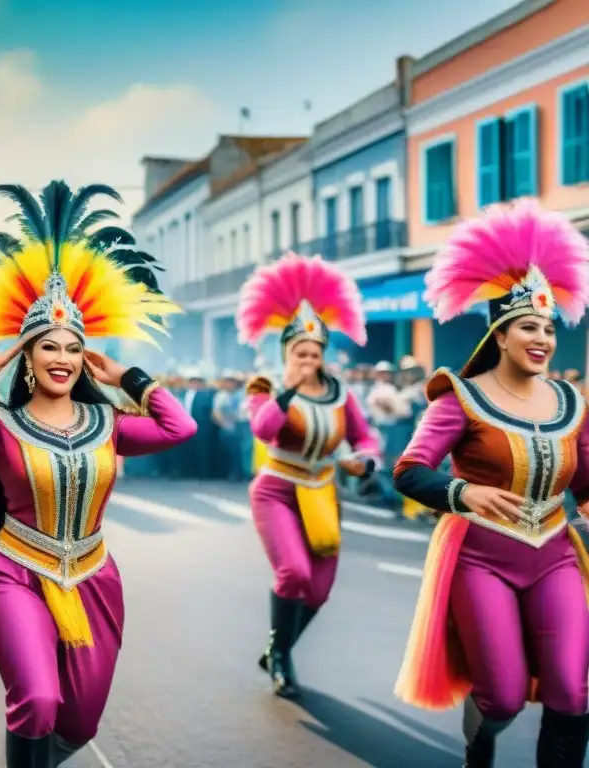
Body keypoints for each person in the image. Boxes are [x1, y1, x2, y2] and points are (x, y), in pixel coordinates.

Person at [0, 180, 195, 767]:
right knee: (38, 700)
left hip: (95, 578)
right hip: (16, 575)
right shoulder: (0, 424)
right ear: (29, 357)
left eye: (72, 348)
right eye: (47, 347)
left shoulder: (109, 422)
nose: (62, 358)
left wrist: (127, 375)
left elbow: (180, 429)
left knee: (78, 719)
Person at [393, 200, 589, 767]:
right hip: (481, 556)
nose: (543, 339)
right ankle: (477, 755)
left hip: (555, 553)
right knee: (501, 697)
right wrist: (463, 493)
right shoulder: (460, 397)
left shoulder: (573, 402)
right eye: (529, 326)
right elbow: (408, 471)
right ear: (500, 335)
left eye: (550, 328)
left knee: (572, 694)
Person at [237, 253, 380, 698]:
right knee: (294, 574)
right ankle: (282, 658)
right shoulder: (266, 388)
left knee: (318, 592)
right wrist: (291, 388)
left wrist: (365, 460)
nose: (308, 359)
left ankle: (277, 647)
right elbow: (264, 429)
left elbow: (365, 438)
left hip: (322, 494)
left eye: (315, 353)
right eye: (300, 352)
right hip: (277, 490)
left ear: (324, 355)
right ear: (287, 354)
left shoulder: (341, 394)